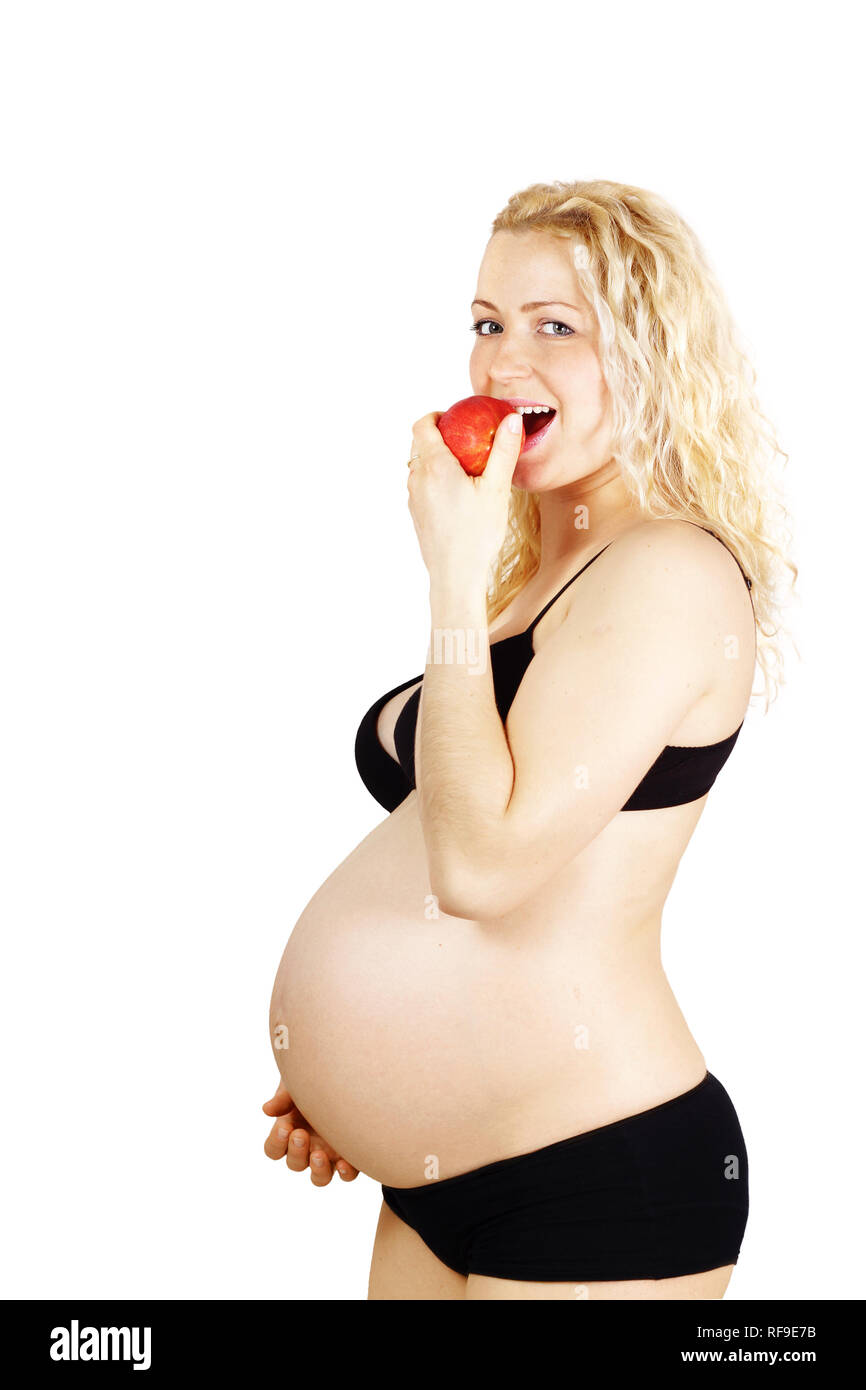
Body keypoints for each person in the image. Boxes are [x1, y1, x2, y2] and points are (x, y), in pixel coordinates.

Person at [264, 179, 797, 1301]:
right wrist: (367, 1077)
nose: (503, 365)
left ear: (650, 355)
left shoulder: (665, 571)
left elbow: (480, 867)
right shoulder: (544, 574)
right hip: (437, 1178)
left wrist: (450, 573)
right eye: (486, 323)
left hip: (593, 1182)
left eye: (557, 327)